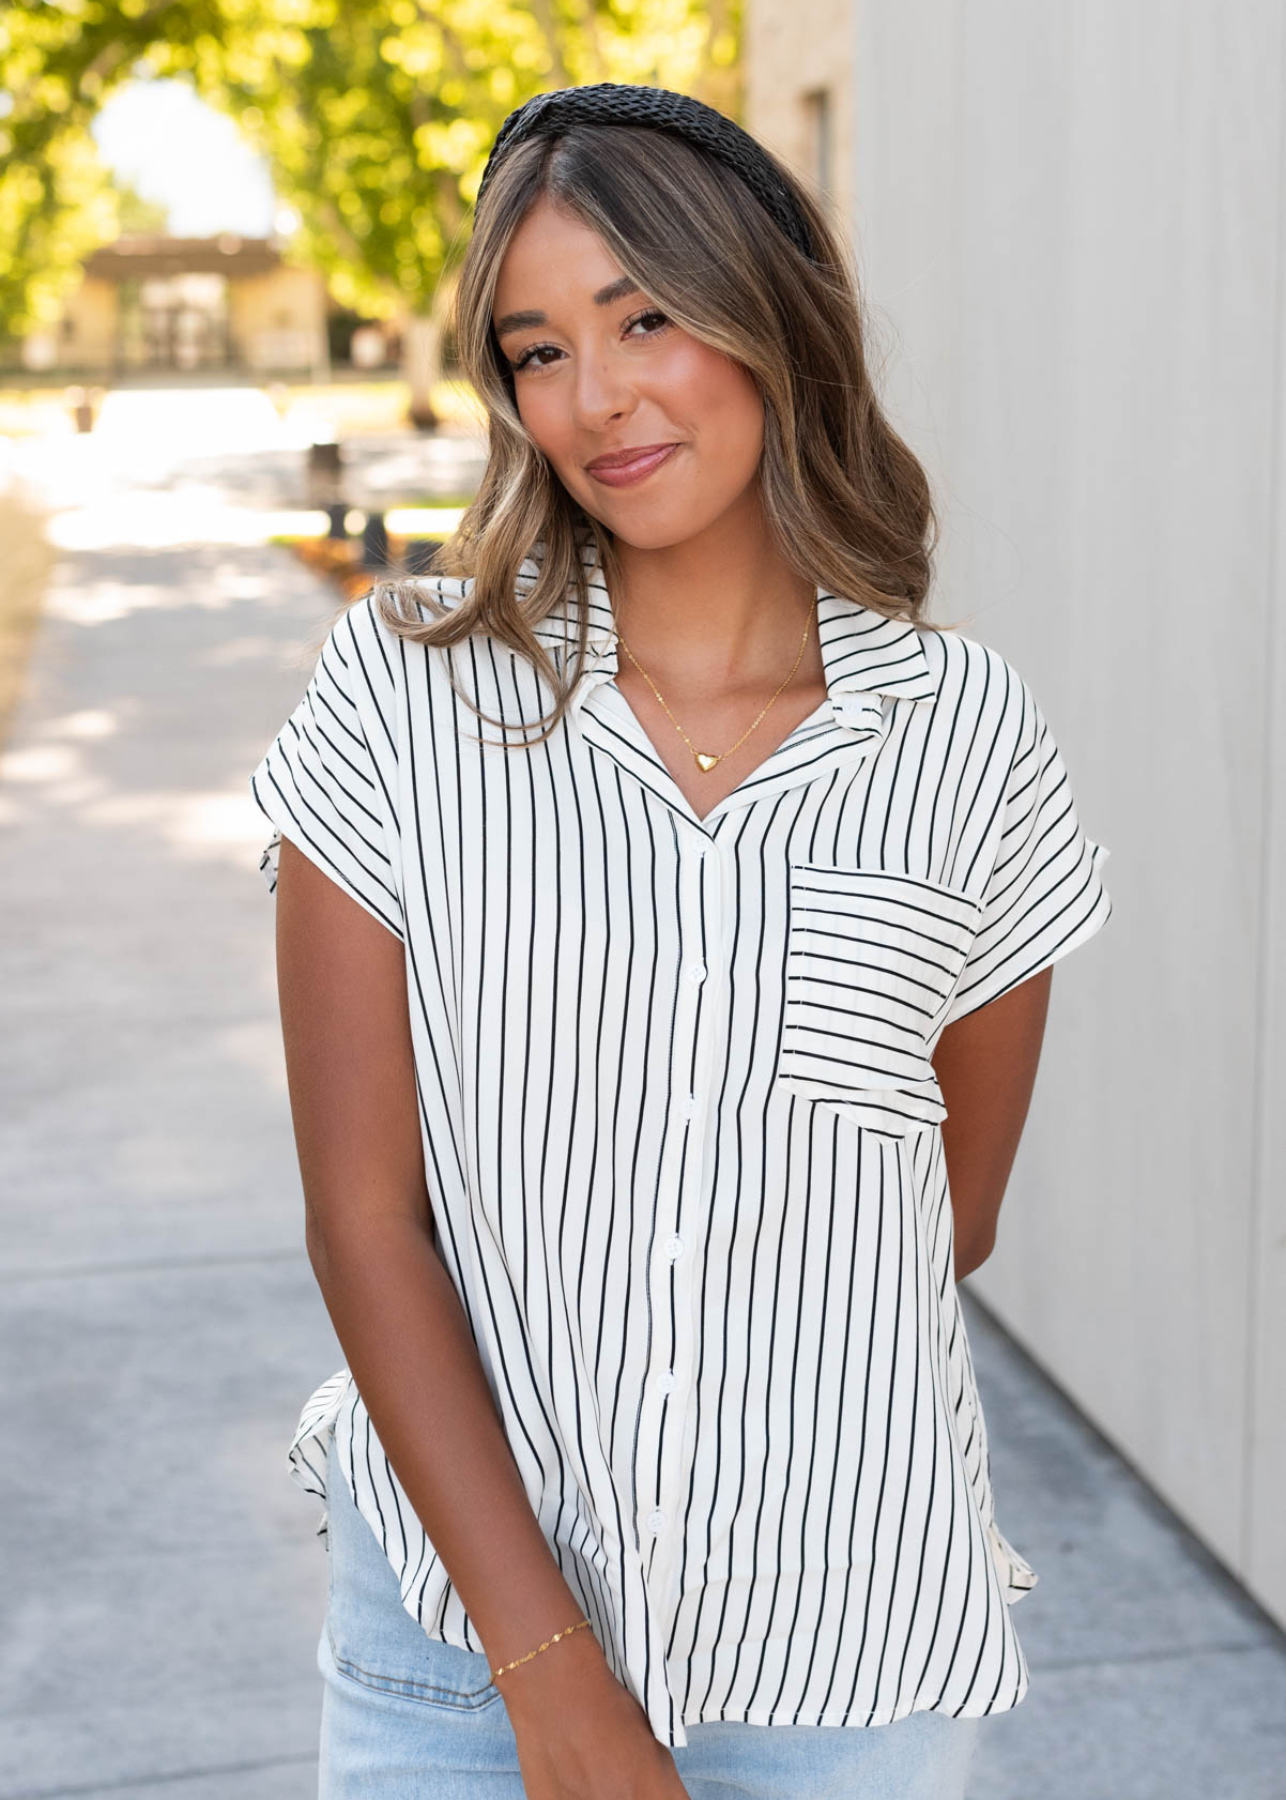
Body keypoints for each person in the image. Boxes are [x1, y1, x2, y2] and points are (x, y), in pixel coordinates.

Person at [249, 81, 1112, 1800]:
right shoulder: (404, 697)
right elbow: (365, 1217)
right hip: (455, 1653)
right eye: (537, 347)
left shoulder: (965, 740)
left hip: (842, 1661)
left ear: (770, 313)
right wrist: (552, 1674)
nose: (598, 395)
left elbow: (942, 1209)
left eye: (645, 315)